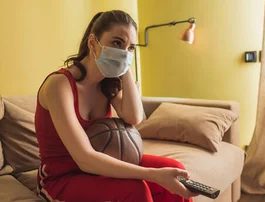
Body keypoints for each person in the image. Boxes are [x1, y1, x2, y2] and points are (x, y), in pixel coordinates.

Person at [34, 10, 200, 201]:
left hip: (100, 167)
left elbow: (134, 117)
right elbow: (85, 159)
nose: (123, 52)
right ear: (92, 43)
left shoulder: (107, 83)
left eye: (131, 48)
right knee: (135, 189)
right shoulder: (59, 85)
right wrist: (153, 175)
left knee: (176, 171)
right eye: (117, 43)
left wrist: (124, 65)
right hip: (61, 177)